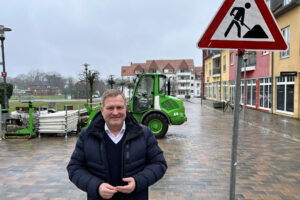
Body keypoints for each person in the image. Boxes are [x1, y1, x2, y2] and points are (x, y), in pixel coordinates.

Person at [67, 89, 167, 200]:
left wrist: (138, 182)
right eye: (110, 108)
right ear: (101, 110)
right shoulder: (86, 135)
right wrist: (97, 187)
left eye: (119, 107)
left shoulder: (144, 133)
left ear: (126, 108)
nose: (115, 112)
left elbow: (159, 164)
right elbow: (74, 168)